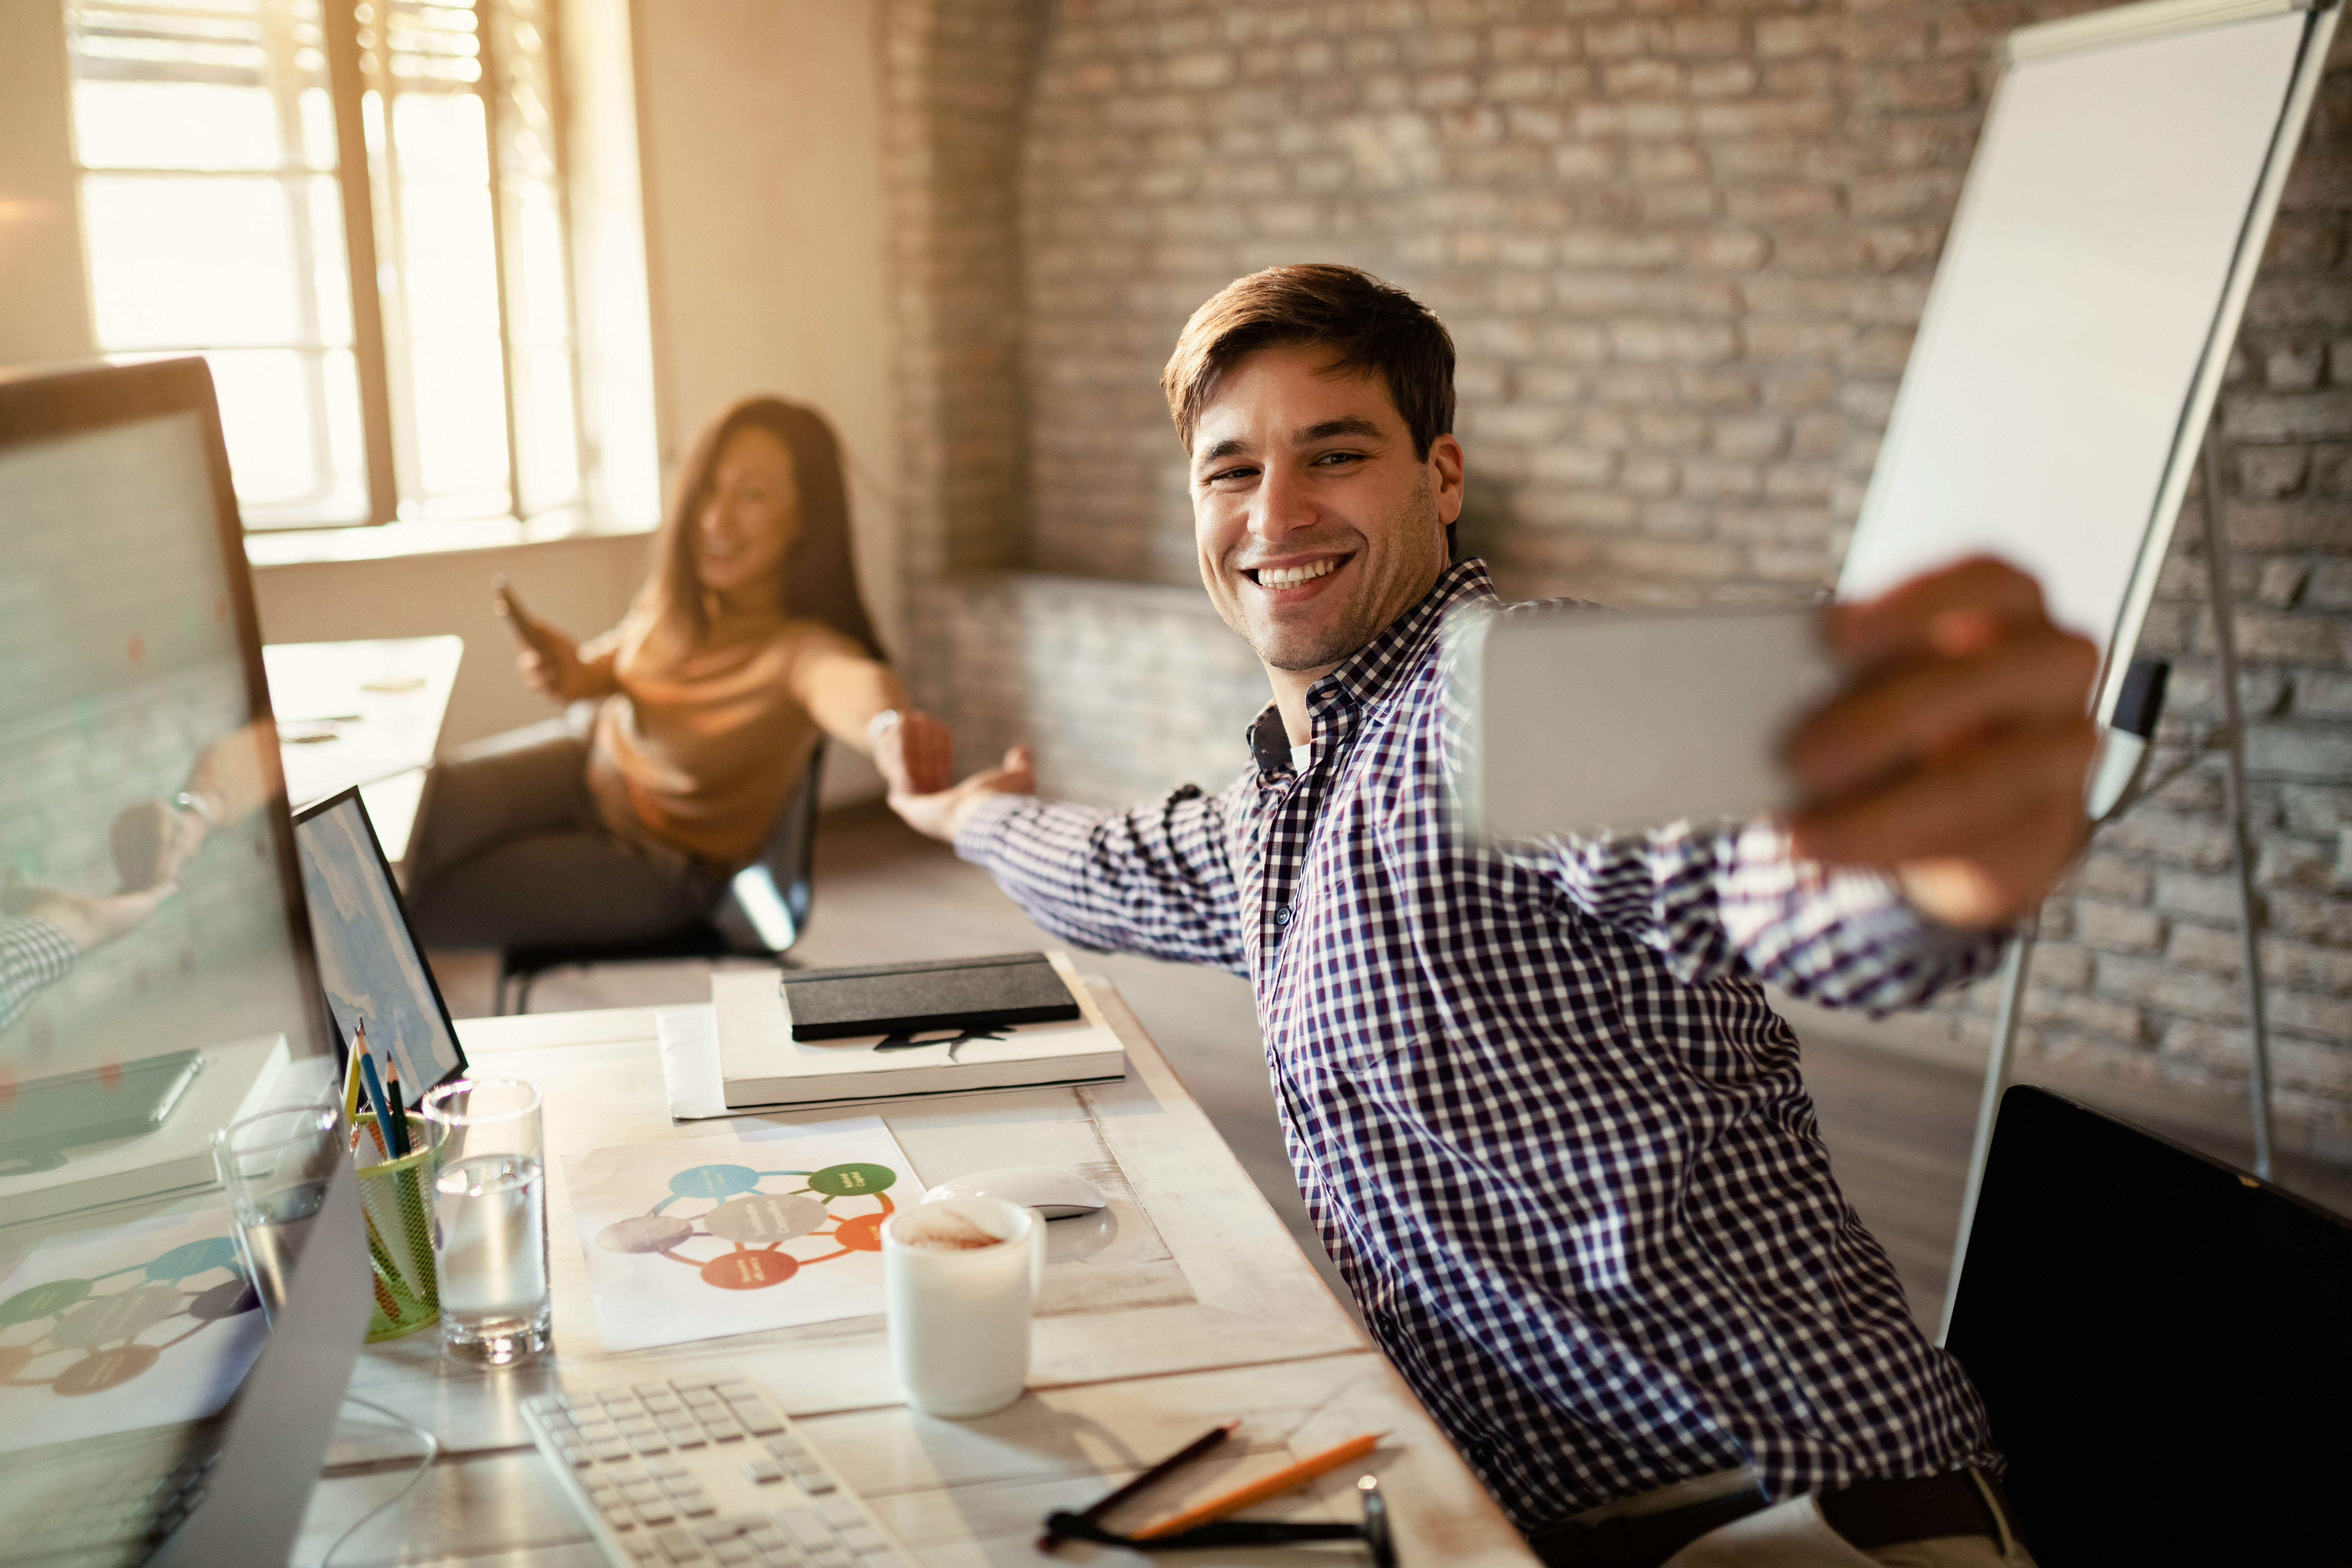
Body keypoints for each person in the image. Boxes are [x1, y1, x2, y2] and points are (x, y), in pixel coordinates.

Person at [889, 266, 2096, 1568]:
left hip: (1790, 1506)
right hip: (1532, 1519)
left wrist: (1924, 871)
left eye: (1334, 454)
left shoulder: (1497, 703)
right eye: (1232, 471)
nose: (1276, 511)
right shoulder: (1278, 813)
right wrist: (960, 815)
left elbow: (1748, 872)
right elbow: (1111, 865)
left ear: (1442, 478)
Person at [405, 397, 951, 949]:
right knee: (411, 813)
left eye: (751, 494)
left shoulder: (803, 650)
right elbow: (618, 665)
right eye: (708, 488)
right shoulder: (682, 595)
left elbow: (852, 684)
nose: (717, 518)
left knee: (402, 906)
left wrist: (889, 730)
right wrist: (575, 672)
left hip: (654, 862)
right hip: (582, 760)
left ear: (806, 517)